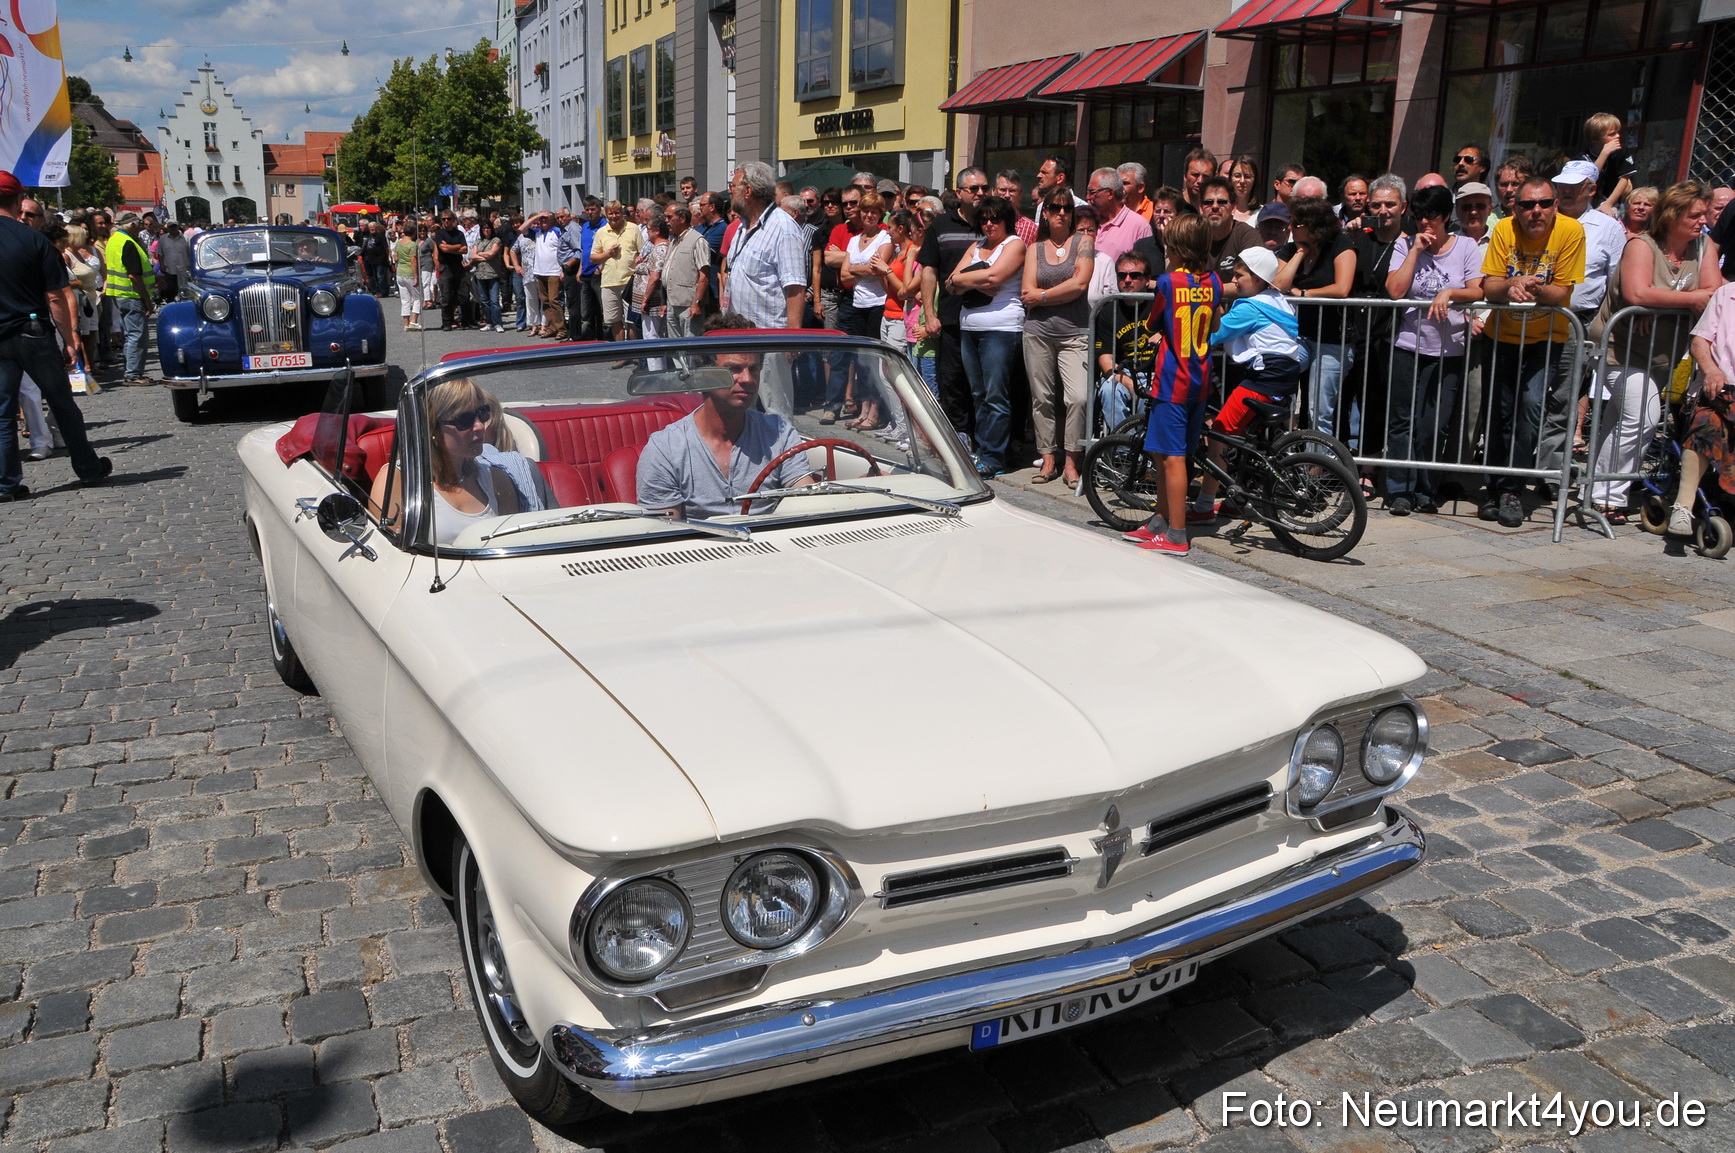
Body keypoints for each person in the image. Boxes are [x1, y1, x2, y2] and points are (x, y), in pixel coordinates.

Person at [1592, 183, 1713, 522]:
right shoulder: (1642, 245)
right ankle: (1609, 496)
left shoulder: (1702, 247)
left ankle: (1596, 485)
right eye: (1695, 214)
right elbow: (1637, 293)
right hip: (1620, 348)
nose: (1702, 221)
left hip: (1662, 354)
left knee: (1619, 420)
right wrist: (1687, 300)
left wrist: (1659, 303)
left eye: (1704, 214)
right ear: (1673, 215)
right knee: (1642, 417)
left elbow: (1713, 291)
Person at [1479, 175, 1586, 527]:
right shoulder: (1504, 231)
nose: (1535, 211)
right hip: (1502, 337)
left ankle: (1513, 488)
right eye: (1526, 205)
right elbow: (1490, 286)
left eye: (1543, 203)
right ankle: (1494, 486)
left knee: (1530, 407)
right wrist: (1512, 284)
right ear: (1515, 207)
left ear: (1555, 204)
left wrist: (1532, 288)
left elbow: (1561, 292)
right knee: (1499, 412)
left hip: (1546, 339)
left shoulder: (1570, 232)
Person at [635, 316, 818, 519]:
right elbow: (664, 534)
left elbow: (806, 501)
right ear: (704, 373)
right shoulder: (666, 449)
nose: (747, 379)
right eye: (733, 369)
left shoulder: (779, 433)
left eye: (754, 369)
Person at [0, 170, 111, 500]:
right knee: (62, 403)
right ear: (20, 202)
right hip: (32, 332)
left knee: (3, 412)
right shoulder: (34, 241)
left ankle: (5, 484)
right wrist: (70, 339)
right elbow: (55, 297)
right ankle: (88, 469)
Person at [1383, 184, 1486, 514]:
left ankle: (1426, 489)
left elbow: (1477, 291)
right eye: (1418, 217)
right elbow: (1395, 291)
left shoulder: (1467, 247)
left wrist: (1449, 294)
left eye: (1431, 218)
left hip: (1447, 350)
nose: (1424, 223)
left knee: (1433, 425)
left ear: (1445, 218)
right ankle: (1400, 489)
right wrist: (1414, 250)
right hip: (1407, 345)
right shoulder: (1404, 243)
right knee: (1401, 421)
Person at [1122, 215, 1220, 556]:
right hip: (1200, 377)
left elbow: (1155, 320)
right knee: (1163, 450)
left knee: (1172, 457)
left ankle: (1177, 534)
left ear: (1175, 248)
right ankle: (1160, 520)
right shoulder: (1214, 280)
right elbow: (1216, 321)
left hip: (1172, 378)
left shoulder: (1168, 282)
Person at [1187, 245, 1308, 522]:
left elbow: (1213, 333)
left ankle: (1204, 506)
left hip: (1264, 380)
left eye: (1239, 276)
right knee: (1241, 440)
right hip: (1284, 379)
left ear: (1257, 278)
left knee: (1218, 433)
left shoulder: (1251, 308)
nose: (1234, 282)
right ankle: (1236, 500)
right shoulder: (1276, 300)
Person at [371, 379, 543, 543]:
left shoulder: (498, 480)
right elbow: (392, 557)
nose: (480, 426)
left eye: (482, 413)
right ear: (432, 427)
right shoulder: (397, 482)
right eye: (465, 419)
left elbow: (514, 549)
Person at [947, 195, 1026, 478]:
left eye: (995, 218)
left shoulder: (1014, 244)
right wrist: (976, 279)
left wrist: (969, 279)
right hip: (970, 326)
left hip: (1001, 328)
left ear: (1007, 220)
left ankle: (994, 456)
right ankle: (981, 451)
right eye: (984, 219)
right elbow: (950, 282)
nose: (989, 223)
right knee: (978, 394)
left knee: (995, 395)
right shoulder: (976, 245)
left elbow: (995, 279)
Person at [720, 162, 808, 416]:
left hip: (770, 340)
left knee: (775, 410)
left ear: (747, 190)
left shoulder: (783, 228)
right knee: (742, 409)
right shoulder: (740, 228)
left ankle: (785, 456)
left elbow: (795, 288)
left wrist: (791, 338)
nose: (730, 192)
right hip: (740, 337)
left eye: (733, 186)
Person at [1021, 191, 1095, 485]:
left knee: (1078, 397)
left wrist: (1042, 295)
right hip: (1037, 332)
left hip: (1074, 333)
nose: (1061, 212)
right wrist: (1042, 296)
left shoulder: (1084, 242)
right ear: (1045, 213)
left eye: (1066, 207)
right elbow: (1026, 292)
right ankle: (1048, 460)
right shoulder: (1034, 249)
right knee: (1042, 399)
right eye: (1054, 207)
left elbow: (1080, 284)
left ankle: (1072, 462)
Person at [1273, 197, 1358, 448]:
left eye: (1297, 223)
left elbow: (1342, 288)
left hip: (1333, 341)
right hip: (1300, 336)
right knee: (1275, 376)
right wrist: (1300, 252)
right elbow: (1279, 285)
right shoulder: (1291, 249)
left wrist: (1304, 294)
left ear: (1314, 225)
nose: (1291, 227)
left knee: (1318, 410)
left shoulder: (1341, 244)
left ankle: (1316, 470)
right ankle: (1283, 454)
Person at [919, 167, 989, 447]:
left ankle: (984, 438)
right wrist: (930, 315)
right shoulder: (941, 226)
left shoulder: (993, 223)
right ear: (959, 193)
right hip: (951, 317)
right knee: (953, 381)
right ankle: (959, 435)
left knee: (985, 384)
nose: (980, 193)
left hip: (989, 318)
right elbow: (928, 271)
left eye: (984, 187)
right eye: (974, 189)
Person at [1094, 250, 1157, 432]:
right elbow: (1105, 360)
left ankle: (1144, 452)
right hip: (1124, 373)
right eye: (1122, 275)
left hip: (1156, 372)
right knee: (1108, 391)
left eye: (1135, 275)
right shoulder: (1107, 310)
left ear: (1147, 279)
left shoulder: (1159, 304)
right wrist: (1129, 383)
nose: (1127, 280)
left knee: (1149, 394)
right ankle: (1123, 453)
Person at [1084, 167, 1154, 303]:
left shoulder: (1139, 225)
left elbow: (1145, 271)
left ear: (1110, 193)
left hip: (1120, 309)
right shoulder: (1084, 223)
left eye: (1092, 192)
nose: (1088, 197)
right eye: (1088, 192)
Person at [104, 213, 155, 385]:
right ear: (131, 225)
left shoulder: (114, 239)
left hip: (120, 294)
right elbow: (134, 275)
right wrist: (147, 299)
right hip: (132, 294)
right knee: (137, 335)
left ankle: (131, 370)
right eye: (139, 224)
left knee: (130, 334)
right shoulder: (128, 242)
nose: (141, 227)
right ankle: (133, 374)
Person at [591, 201, 642, 344]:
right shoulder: (601, 232)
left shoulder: (633, 228)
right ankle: (622, 354)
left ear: (622, 213)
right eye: (611, 213)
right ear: (606, 215)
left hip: (629, 282)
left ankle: (636, 354)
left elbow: (642, 252)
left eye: (617, 212)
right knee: (615, 320)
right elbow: (593, 257)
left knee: (631, 320)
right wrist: (608, 253)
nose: (614, 216)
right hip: (609, 282)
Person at [660, 203, 712, 339]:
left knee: (690, 349)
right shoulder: (673, 241)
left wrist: (697, 303)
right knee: (675, 349)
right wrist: (664, 302)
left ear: (682, 218)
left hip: (688, 305)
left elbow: (704, 276)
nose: (666, 221)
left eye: (669, 217)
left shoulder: (698, 241)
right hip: (672, 303)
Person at [1200, 175, 1260, 290]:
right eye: (1208, 202)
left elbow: (1251, 283)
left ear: (1233, 207)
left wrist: (1204, 292)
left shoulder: (1246, 235)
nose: (1215, 207)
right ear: (1201, 207)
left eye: (1222, 202)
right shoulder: (1193, 236)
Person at [1583, 112, 1638, 215]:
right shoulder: (1584, 156)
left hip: (1611, 201)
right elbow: (1589, 178)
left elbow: (1624, 179)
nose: (1618, 136)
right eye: (1612, 134)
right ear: (1595, 139)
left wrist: (1608, 204)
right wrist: (1604, 154)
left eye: (1618, 132)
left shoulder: (1622, 151)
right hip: (1587, 202)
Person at [432, 211, 468, 332]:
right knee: (446, 297)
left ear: (453, 220)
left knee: (463, 295)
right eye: (444, 219)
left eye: (448, 219)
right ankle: (447, 322)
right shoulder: (440, 234)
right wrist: (457, 247)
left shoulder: (459, 233)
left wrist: (451, 248)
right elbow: (443, 249)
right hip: (446, 267)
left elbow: (465, 249)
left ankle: (464, 320)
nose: (446, 221)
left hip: (458, 266)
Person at [472, 222, 505, 332]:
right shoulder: (478, 241)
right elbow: (473, 256)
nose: (486, 230)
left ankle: (498, 323)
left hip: (493, 274)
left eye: (488, 228)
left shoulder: (496, 240)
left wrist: (480, 253)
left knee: (494, 300)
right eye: (484, 228)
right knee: (484, 300)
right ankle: (489, 322)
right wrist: (485, 256)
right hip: (480, 274)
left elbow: (492, 254)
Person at [393, 222, 423, 331]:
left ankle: (406, 323)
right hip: (409, 272)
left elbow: (395, 258)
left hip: (399, 273)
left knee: (405, 299)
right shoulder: (412, 244)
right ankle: (414, 321)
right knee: (417, 297)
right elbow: (413, 260)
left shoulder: (399, 243)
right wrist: (416, 276)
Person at [1182, 148, 1218, 212]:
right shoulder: (1175, 206)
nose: (1200, 180)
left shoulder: (1216, 208)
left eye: (1205, 176)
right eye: (1195, 175)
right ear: (1185, 175)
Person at [1229, 155, 1262, 223]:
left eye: (1247, 176)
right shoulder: (1223, 211)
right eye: (1237, 176)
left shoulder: (1262, 213)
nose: (1242, 181)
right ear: (1230, 178)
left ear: (1254, 180)